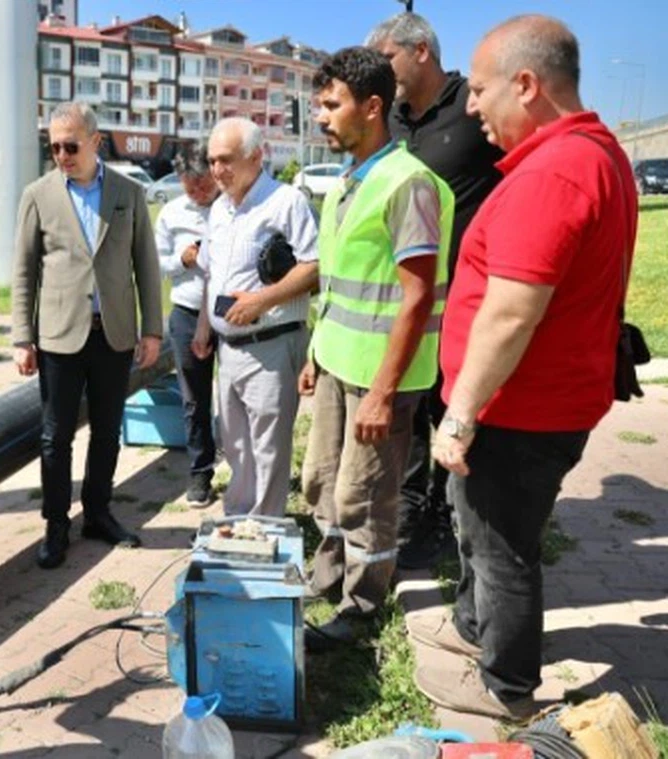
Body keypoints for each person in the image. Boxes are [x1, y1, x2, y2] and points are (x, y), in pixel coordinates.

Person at [418, 15, 637, 720]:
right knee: (488, 535)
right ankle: (475, 630)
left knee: (501, 548)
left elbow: (511, 312)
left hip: (517, 410)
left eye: (479, 90)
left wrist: (459, 414)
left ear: (526, 84)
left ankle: (504, 692)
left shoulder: (557, 171)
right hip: (543, 401)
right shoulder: (592, 154)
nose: (471, 105)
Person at [300, 46, 453, 645]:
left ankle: (363, 608)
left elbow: (416, 297)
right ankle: (331, 570)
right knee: (320, 481)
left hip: (379, 377)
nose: (321, 117)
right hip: (339, 362)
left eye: (331, 105)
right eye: (319, 105)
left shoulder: (408, 184)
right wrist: (315, 354)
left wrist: (383, 395)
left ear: (371, 107)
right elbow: (338, 282)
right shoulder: (346, 183)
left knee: (365, 495)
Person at [367, 12, 504, 570]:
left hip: (468, 299)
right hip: (410, 298)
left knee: (455, 409)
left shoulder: (471, 112)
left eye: (388, 59)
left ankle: (458, 522)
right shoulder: (394, 119)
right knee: (410, 406)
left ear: (420, 49)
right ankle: (414, 519)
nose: (383, 73)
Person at [10, 101, 163, 570]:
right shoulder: (37, 195)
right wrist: (22, 336)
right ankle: (56, 525)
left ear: (96, 142)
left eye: (70, 145)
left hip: (113, 334)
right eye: (54, 146)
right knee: (56, 438)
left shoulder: (128, 193)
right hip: (58, 337)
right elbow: (23, 271)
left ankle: (98, 512)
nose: (61, 154)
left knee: (107, 432)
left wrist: (152, 329)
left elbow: (146, 265)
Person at [188, 118, 319, 517]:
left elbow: (315, 266)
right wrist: (203, 327)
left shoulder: (286, 202)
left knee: (268, 446)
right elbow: (212, 273)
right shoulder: (220, 209)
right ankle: (239, 520)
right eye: (212, 160)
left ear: (257, 156)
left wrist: (261, 301)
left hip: (272, 345)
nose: (216, 170)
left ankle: (265, 528)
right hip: (229, 349)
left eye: (226, 160)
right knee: (235, 444)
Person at [154, 147, 220, 507]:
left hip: (231, 313)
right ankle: (200, 471)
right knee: (195, 398)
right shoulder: (171, 214)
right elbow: (157, 263)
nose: (198, 192)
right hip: (187, 312)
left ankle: (244, 468)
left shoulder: (231, 206)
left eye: (203, 185)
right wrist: (182, 260)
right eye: (190, 187)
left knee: (238, 394)